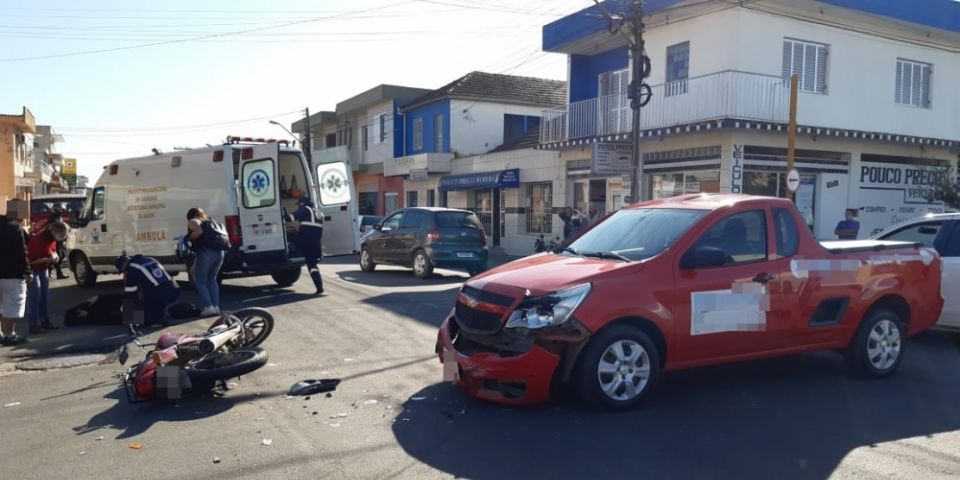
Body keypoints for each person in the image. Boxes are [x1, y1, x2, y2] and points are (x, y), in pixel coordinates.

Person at [115, 254, 181, 327]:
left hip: (161, 293)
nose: (125, 272)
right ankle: (162, 312)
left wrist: (131, 318)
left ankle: (157, 320)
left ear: (123, 265)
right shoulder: (149, 259)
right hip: (174, 288)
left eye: (123, 270)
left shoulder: (132, 268)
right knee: (149, 293)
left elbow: (131, 294)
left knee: (144, 316)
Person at [27, 222, 67, 334]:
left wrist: (54, 256)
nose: (63, 238)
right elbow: (30, 261)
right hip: (33, 270)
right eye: (61, 235)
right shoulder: (39, 240)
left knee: (44, 296)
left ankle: (44, 321)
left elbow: (51, 250)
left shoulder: (51, 239)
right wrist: (48, 260)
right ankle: (33, 324)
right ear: (54, 232)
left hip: (44, 269)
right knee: (35, 297)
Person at [0, 204, 31, 346]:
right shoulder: (14, 227)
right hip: (12, 274)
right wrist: (27, 271)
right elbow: (22, 252)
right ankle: (9, 335)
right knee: (11, 307)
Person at [186, 207, 225, 315]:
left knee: (199, 281)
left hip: (206, 252)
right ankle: (216, 307)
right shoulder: (211, 221)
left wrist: (188, 238)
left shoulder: (194, 220)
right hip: (219, 252)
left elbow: (198, 231)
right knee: (212, 279)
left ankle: (208, 307)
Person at [292, 196, 325, 295]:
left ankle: (292, 253)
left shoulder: (304, 210)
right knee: (313, 266)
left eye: (299, 205)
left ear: (302, 204)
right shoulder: (319, 213)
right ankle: (319, 287)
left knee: (290, 237)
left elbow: (290, 217)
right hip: (316, 245)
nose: (299, 207)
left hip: (306, 243)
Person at [48, 205, 69, 279]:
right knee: (56, 256)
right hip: (54, 239)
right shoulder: (53, 218)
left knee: (60, 256)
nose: (61, 211)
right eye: (60, 210)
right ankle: (52, 272)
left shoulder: (58, 217)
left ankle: (56, 273)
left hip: (59, 239)